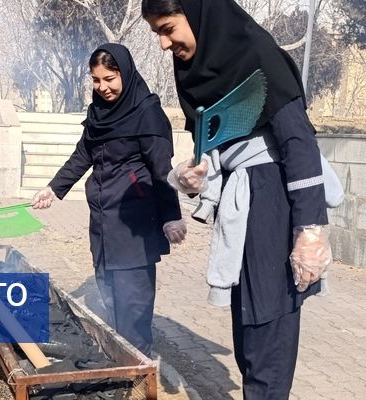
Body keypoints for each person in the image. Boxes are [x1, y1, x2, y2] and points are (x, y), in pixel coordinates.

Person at [141, 0, 336, 398]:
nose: (164, 44)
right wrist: (193, 176)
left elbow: (298, 140)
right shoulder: (196, 71)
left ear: (195, 13)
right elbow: (212, 146)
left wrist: (310, 230)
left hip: (273, 198)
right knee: (246, 322)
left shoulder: (254, 53)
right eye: (157, 33)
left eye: (167, 28)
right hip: (240, 199)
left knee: (268, 322)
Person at [32, 43, 186, 357]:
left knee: (134, 303)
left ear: (125, 74)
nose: (102, 87)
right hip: (102, 220)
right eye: (96, 80)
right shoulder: (99, 113)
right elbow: (82, 155)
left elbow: (161, 170)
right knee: (109, 293)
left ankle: (139, 368)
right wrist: (53, 188)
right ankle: (119, 358)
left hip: (135, 223)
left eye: (109, 79)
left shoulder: (147, 113)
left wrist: (171, 215)